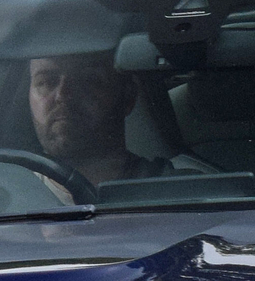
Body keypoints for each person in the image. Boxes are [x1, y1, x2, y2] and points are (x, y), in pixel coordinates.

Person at [25, 52, 169, 185]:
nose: (63, 96)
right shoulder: (10, 195)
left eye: (88, 81)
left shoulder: (171, 191)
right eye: (46, 82)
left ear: (128, 97)